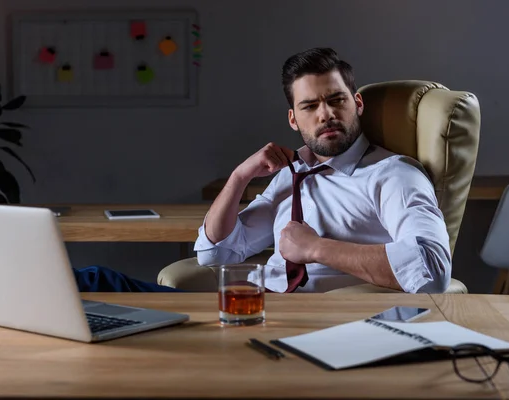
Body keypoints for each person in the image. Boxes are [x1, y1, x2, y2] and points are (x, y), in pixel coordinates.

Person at [193, 47, 451, 294]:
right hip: (260, 307)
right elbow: (215, 253)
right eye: (309, 106)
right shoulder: (292, 174)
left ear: (357, 103)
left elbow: (431, 269)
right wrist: (240, 176)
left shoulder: (394, 175)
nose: (326, 114)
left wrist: (315, 248)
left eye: (336, 100)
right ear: (293, 119)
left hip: (319, 321)